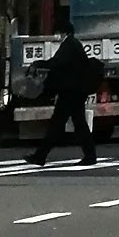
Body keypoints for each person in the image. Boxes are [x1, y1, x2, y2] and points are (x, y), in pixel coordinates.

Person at [33, 29, 100, 169]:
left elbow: (57, 63)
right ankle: (90, 156)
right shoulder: (74, 43)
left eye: (57, 32)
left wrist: (40, 63)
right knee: (78, 123)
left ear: (63, 32)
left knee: (58, 123)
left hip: (70, 92)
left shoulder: (69, 44)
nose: (57, 36)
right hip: (76, 90)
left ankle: (40, 156)